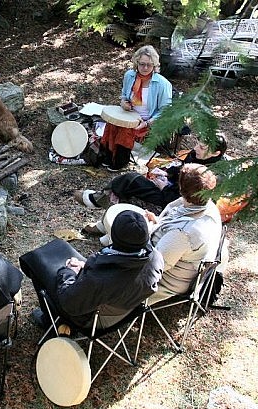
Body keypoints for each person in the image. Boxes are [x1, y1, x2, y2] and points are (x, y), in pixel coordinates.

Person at [20, 210, 163, 330]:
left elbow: (69, 303)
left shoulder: (99, 279)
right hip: (124, 310)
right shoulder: (156, 258)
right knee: (59, 246)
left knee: (34, 259)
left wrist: (69, 272)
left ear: (114, 236)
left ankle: (51, 321)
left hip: (90, 319)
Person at [76, 133, 227, 213]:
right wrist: (167, 173)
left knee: (131, 179)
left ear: (215, 153)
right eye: (197, 145)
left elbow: (188, 201)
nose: (195, 149)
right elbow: (182, 167)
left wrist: (164, 188)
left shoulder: (212, 176)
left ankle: (98, 200)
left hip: (176, 201)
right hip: (173, 187)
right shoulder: (196, 155)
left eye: (201, 147)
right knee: (134, 180)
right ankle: (105, 198)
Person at [146, 163, 223, 305]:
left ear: (181, 188)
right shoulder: (208, 207)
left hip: (164, 281)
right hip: (176, 263)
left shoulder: (183, 233)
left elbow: (155, 265)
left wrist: (147, 229)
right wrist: (156, 222)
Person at [100, 45, 172, 171]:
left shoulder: (162, 84)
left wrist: (147, 123)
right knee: (111, 124)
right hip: (129, 113)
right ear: (136, 63)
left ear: (154, 65)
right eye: (142, 64)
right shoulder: (130, 75)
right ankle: (107, 157)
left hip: (146, 119)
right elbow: (124, 95)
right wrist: (123, 103)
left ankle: (120, 162)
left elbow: (165, 110)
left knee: (125, 130)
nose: (145, 68)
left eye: (149, 65)